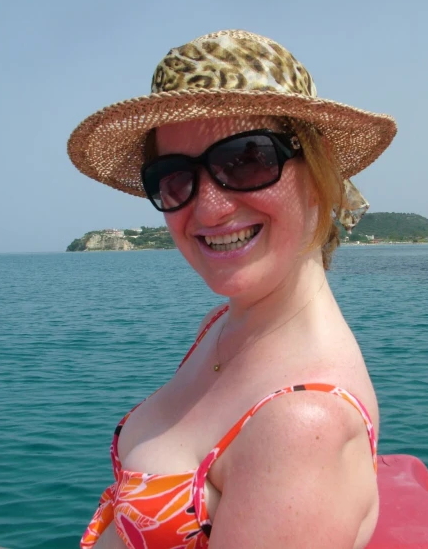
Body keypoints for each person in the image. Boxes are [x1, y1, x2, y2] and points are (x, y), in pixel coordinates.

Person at [67, 30, 396, 549]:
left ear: (319, 168)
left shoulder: (300, 424)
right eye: (174, 178)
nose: (209, 207)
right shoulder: (223, 326)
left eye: (246, 159)